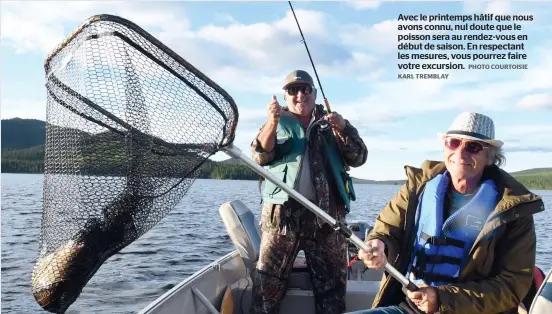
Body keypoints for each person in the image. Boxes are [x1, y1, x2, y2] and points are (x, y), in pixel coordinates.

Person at [347, 112, 545, 314]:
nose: (460, 153)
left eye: (473, 146)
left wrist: (442, 298)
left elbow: (512, 286)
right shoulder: (418, 187)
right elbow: (386, 229)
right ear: (444, 147)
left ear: (490, 156)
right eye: (453, 143)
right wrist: (378, 245)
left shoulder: (514, 210)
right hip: (411, 308)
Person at [249, 69, 368, 314]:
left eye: (305, 89)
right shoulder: (275, 122)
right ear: (285, 96)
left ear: (314, 93)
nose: (300, 94)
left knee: (332, 292)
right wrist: (272, 122)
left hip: (327, 219)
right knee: (266, 288)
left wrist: (344, 127)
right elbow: (260, 156)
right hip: (281, 219)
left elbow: (359, 157)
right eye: (293, 90)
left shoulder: (331, 123)